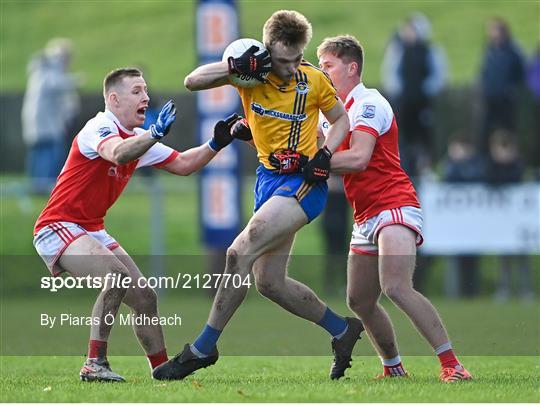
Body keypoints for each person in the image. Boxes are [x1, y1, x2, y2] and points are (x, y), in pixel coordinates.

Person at [153, 10, 363, 381]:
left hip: (302, 181)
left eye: (299, 57)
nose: (293, 66)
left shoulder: (312, 80)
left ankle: (202, 348)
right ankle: (342, 329)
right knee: (269, 282)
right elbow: (192, 81)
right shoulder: (250, 75)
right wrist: (233, 66)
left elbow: (341, 119)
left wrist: (326, 155)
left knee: (239, 251)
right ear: (266, 53)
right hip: (269, 181)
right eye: (284, 60)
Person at [33, 67, 243, 382]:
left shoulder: (138, 139)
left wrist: (216, 143)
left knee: (145, 298)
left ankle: (162, 372)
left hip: (90, 228)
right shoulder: (99, 127)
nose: (145, 97)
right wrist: (154, 134)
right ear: (114, 99)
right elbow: (117, 154)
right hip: (58, 225)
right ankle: (94, 363)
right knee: (116, 276)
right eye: (137, 91)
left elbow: (184, 164)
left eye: (145, 91)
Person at [317, 35, 472, 382]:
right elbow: (305, 151)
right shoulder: (331, 114)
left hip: (393, 203)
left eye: (328, 65)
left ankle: (453, 365)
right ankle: (393, 368)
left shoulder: (369, 103)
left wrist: (315, 164)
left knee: (396, 286)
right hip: (366, 214)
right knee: (359, 300)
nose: (322, 73)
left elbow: (357, 158)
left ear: (351, 67)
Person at [381, 13, 447, 181]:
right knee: (402, 136)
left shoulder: (430, 50)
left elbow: (439, 74)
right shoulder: (398, 49)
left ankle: (425, 169)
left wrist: (426, 90)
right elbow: (390, 72)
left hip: (423, 102)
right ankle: (403, 168)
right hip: (404, 102)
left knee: (424, 136)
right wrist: (399, 91)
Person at [21, 38, 81, 194]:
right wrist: (75, 81)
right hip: (44, 122)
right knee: (50, 152)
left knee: (41, 152)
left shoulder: (42, 70)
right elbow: (56, 85)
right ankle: (42, 187)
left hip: (42, 121)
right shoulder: (49, 71)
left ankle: (38, 185)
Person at [478, 17, 525, 155]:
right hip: (490, 97)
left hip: (506, 99)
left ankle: (511, 159)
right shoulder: (488, 49)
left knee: (509, 131)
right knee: (485, 131)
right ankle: (486, 160)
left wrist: (511, 90)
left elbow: (520, 73)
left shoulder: (513, 50)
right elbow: (484, 72)